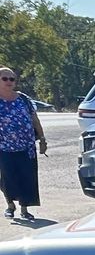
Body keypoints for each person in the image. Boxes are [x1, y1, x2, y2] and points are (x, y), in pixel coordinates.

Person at [0, 67, 49, 222]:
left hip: (26, 147)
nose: (9, 82)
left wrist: (42, 138)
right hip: (4, 147)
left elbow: (35, 119)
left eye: (12, 79)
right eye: (5, 79)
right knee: (7, 178)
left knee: (26, 177)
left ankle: (24, 208)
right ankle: (10, 205)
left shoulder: (23, 99)